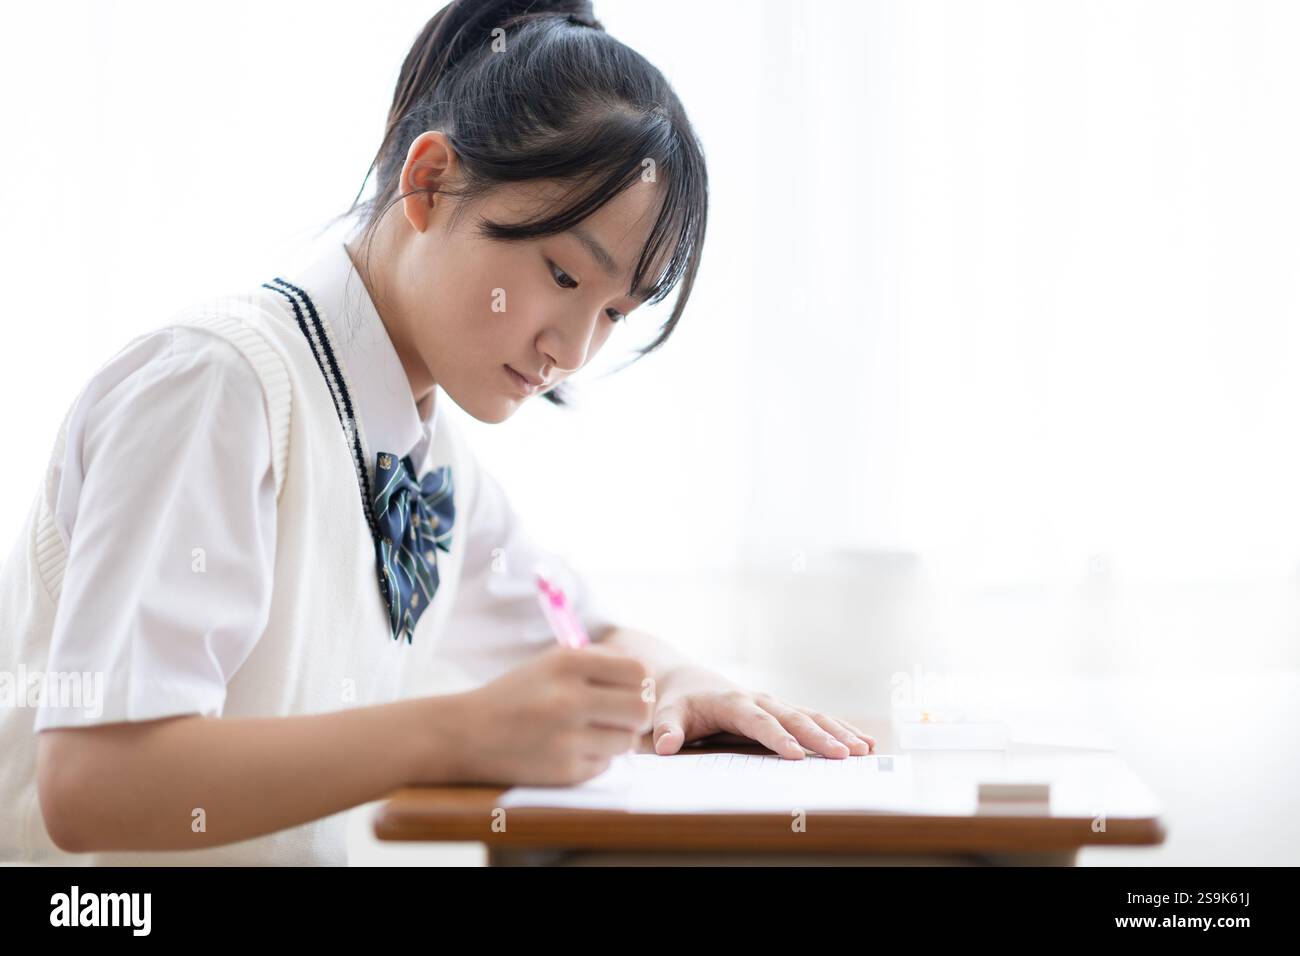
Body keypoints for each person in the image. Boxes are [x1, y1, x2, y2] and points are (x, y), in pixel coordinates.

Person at [0, 0, 874, 865]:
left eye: (612, 313)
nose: (570, 351)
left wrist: (683, 683)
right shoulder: (220, 386)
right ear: (429, 182)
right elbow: (93, 784)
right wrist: (456, 732)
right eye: (563, 273)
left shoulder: (421, 448)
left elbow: (588, 638)